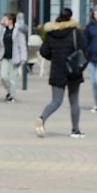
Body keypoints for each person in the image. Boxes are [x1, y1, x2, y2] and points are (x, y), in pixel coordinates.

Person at [35, 8, 85, 139]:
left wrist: (55, 57)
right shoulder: (75, 32)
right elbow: (83, 50)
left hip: (57, 70)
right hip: (73, 70)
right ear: (70, 18)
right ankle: (75, 129)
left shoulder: (51, 33)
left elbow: (44, 51)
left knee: (56, 101)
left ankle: (42, 118)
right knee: (74, 101)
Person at [0, 11, 23, 102]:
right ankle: (10, 91)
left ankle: (12, 96)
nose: (3, 21)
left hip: (15, 58)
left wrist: (23, 58)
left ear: (10, 21)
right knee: (4, 77)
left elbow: (22, 45)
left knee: (13, 79)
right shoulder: (3, 29)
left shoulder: (18, 30)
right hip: (4, 57)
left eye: (5, 19)